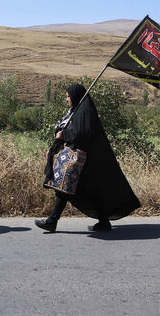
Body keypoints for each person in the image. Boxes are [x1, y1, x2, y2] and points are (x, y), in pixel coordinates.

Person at [35, 84, 141, 232]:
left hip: (83, 159)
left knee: (64, 188)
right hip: (77, 160)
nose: (67, 99)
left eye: (68, 96)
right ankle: (103, 221)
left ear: (75, 96)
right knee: (86, 190)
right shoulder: (75, 111)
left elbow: (82, 134)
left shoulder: (84, 111)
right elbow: (69, 130)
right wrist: (55, 147)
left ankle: (52, 221)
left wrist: (63, 135)